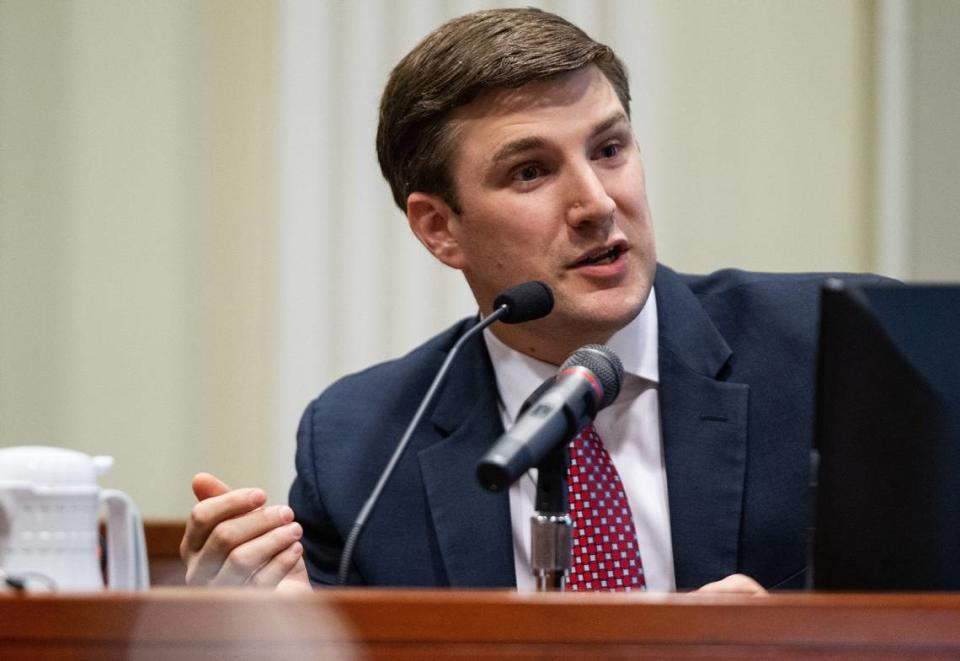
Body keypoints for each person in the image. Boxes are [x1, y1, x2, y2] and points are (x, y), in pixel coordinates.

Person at [180, 8, 878, 593]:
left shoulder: (842, 351)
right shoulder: (361, 447)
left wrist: (794, 641)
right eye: (531, 171)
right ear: (439, 228)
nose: (598, 203)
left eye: (609, 149)